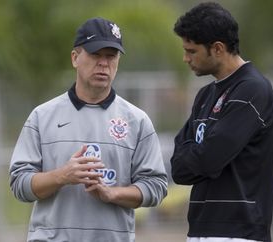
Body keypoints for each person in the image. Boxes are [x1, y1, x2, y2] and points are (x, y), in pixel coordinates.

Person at [9, 17, 168, 242]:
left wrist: (112, 194)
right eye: (95, 54)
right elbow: (19, 184)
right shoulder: (42, 117)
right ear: (75, 58)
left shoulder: (137, 121)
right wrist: (62, 176)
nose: (103, 63)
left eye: (111, 56)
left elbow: (156, 186)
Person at [170, 2, 273, 242]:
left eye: (192, 50)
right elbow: (178, 168)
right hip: (199, 229)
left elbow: (209, 159)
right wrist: (200, 154)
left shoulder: (252, 89)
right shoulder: (205, 95)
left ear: (217, 48)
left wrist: (199, 153)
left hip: (239, 232)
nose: (185, 58)